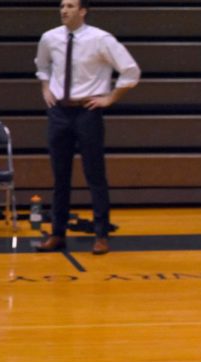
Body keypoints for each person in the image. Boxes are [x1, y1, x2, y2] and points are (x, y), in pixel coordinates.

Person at [34, 0, 140, 255]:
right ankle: (57, 233)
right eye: (62, 6)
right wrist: (46, 88)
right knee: (60, 176)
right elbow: (42, 66)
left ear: (83, 11)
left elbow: (131, 71)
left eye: (70, 6)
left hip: (87, 111)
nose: (64, 10)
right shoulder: (49, 38)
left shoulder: (101, 39)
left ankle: (101, 234)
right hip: (59, 111)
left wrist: (110, 98)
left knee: (95, 174)